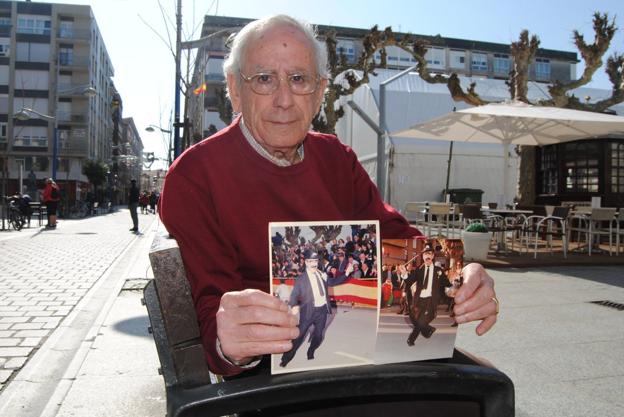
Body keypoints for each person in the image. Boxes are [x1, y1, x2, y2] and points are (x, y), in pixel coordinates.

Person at [159, 14, 498, 377]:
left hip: (367, 357)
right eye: (263, 79)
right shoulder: (195, 176)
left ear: (320, 92)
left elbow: (398, 243)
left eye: (299, 79)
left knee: (485, 387)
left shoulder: (338, 158)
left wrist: (457, 279)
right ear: (234, 89)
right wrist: (230, 343)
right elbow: (209, 311)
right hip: (273, 380)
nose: (284, 100)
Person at [279, 250, 352, 367]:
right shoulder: (301, 279)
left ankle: (311, 350)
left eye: (316, 261)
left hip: (322, 311)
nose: (314, 263)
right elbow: (294, 295)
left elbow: (333, 282)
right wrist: (294, 305)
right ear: (306, 262)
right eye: (311, 261)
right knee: (299, 337)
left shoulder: (321, 274)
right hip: (308, 312)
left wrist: (346, 274)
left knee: (318, 336)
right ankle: (285, 358)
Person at [402, 244, 451, 346]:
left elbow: (447, 283)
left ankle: (411, 340)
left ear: (433, 256)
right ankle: (428, 330)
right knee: (412, 317)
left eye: (429, 254)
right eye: (425, 254)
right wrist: (404, 273)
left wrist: (451, 282)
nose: (427, 256)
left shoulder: (438, 271)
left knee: (421, 321)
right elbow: (409, 281)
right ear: (423, 257)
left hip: (430, 300)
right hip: (419, 299)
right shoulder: (419, 270)